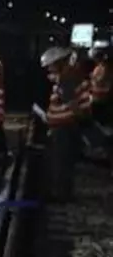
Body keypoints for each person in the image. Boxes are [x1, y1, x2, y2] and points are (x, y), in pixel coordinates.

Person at [41, 46, 93, 200]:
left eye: (50, 65)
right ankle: (64, 191)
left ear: (58, 63)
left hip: (64, 127)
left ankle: (60, 194)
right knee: (65, 161)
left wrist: (71, 121)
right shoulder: (70, 75)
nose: (49, 69)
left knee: (61, 161)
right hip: (67, 125)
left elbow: (73, 105)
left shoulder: (66, 79)